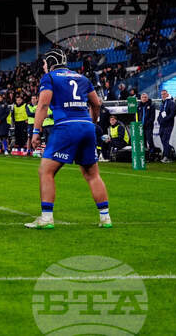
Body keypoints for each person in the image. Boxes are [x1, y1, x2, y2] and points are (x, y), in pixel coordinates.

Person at [25, 48, 111, 230]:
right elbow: (96, 103)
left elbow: (43, 104)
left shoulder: (49, 78)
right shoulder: (82, 78)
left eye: (44, 64)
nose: (43, 67)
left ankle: (47, 218)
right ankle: (105, 218)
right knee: (92, 174)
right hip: (86, 126)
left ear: (49, 63)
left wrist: (36, 131)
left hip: (66, 126)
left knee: (46, 171)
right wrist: (92, 122)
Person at [157, 89, 176, 162]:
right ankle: (171, 150)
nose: (163, 95)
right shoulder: (163, 103)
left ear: (167, 94)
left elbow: (172, 113)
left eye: (164, 94)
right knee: (163, 140)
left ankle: (166, 156)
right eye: (162, 94)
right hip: (162, 125)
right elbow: (160, 113)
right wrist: (159, 120)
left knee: (165, 140)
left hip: (168, 124)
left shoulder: (171, 102)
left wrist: (166, 119)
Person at [138, 93, 158, 159]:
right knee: (143, 141)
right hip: (141, 127)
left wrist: (146, 123)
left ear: (147, 98)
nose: (144, 98)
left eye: (145, 97)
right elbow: (137, 116)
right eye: (142, 97)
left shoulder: (151, 106)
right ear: (141, 98)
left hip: (148, 127)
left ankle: (152, 154)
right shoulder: (139, 106)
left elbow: (152, 118)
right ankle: (145, 154)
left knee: (149, 140)